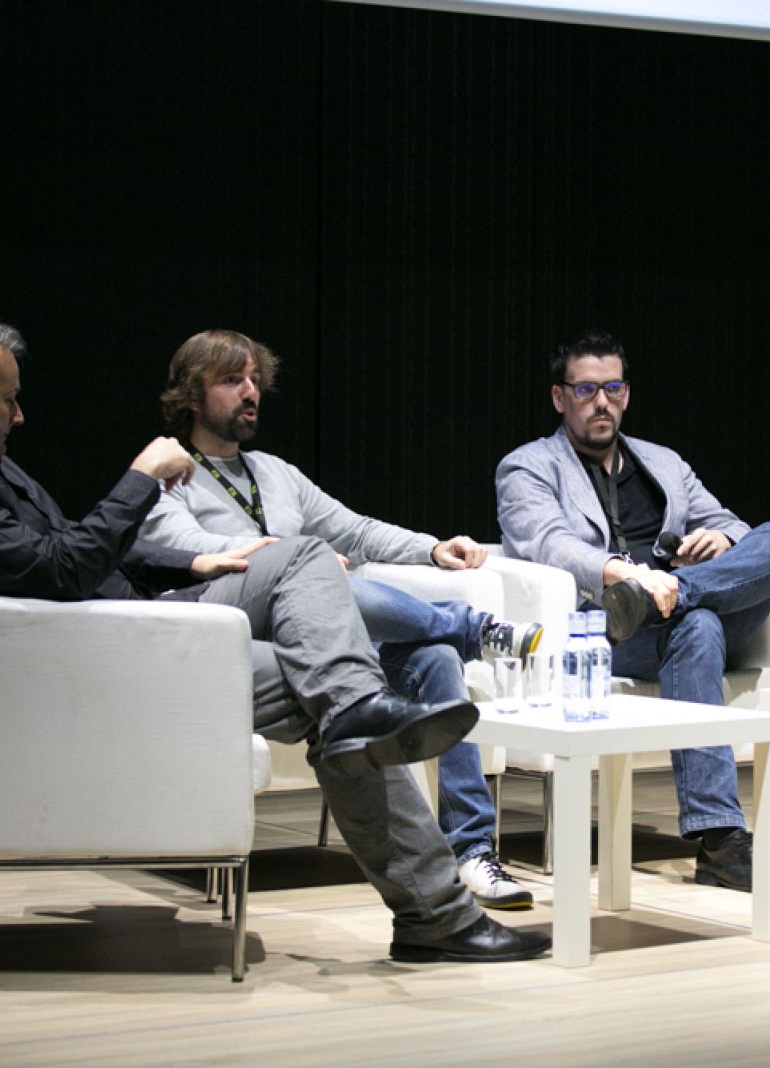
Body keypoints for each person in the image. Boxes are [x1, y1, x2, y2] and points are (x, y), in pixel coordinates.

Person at [0, 313, 549, 963]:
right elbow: (67, 567)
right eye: (10, 399)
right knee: (312, 587)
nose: (19, 415)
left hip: (124, 639)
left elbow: (66, 557)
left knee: (330, 658)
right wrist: (143, 480)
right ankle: (431, 895)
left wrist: (432, 549)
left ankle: (429, 902)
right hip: (110, 659)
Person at [140, 329, 540, 909]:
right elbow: (185, 544)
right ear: (191, 397)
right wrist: (293, 555)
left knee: (434, 660)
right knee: (321, 570)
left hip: (322, 639)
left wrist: (431, 547)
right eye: (232, 381)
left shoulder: (276, 472)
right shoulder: (170, 473)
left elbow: (356, 528)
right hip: (238, 631)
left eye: (255, 379)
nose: (250, 392)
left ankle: (471, 849)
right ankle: (472, 626)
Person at [496, 327, 770, 894]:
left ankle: (679, 593)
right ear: (559, 397)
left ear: (626, 393)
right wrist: (627, 576)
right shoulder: (528, 467)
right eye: (587, 389)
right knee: (697, 627)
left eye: (613, 388)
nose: (602, 402)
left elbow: (727, 520)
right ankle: (721, 842)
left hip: (676, 599)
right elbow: (547, 544)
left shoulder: (663, 463)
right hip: (605, 632)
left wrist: (723, 543)